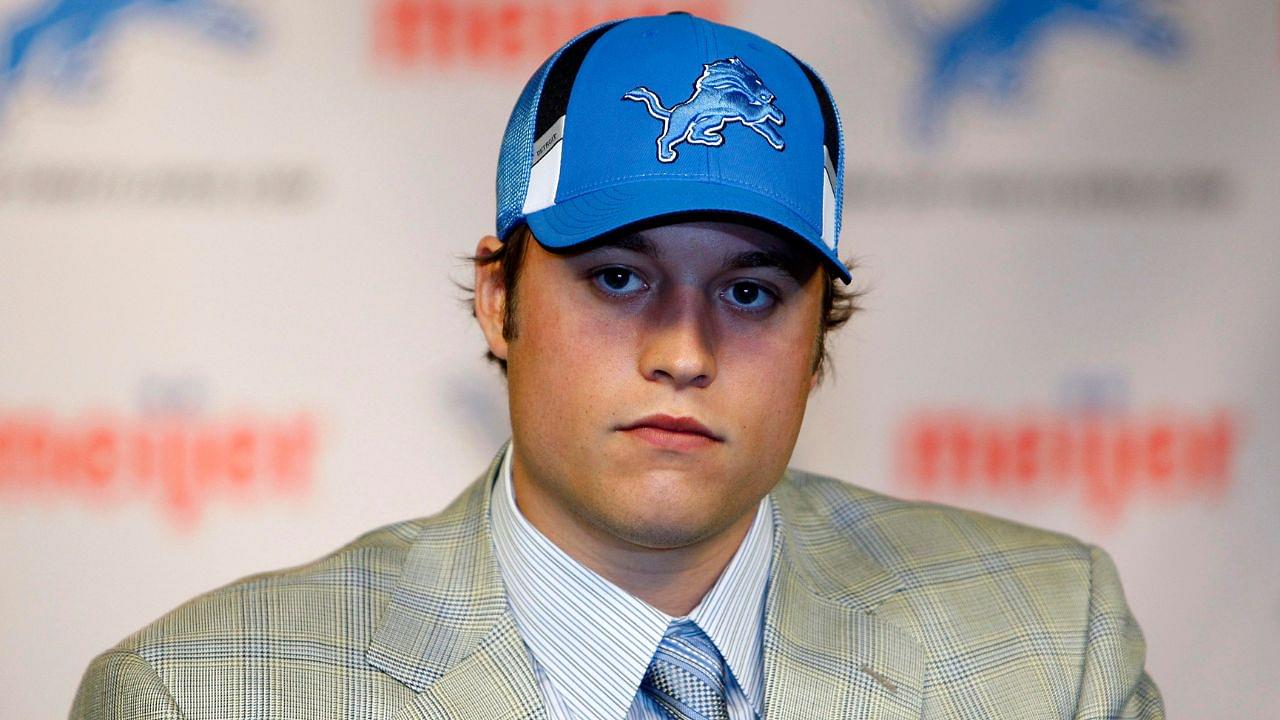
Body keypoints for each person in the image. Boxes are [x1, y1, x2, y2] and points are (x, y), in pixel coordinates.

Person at [70, 12, 1163, 720]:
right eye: (617, 279)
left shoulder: (1047, 643)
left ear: (819, 335)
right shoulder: (199, 695)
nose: (683, 353)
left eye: (749, 293)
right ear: (501, 301)